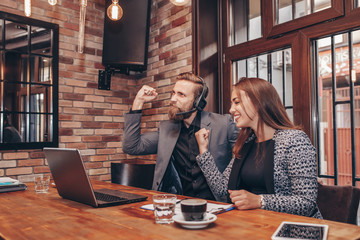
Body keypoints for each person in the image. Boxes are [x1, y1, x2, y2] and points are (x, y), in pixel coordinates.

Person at [195, 77, 322, 218]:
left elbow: (306, 203)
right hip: (255, 225)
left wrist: (260, 201)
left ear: (258, 102)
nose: (231, 110)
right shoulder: (246, 144)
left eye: (237, 102)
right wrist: (204, 151)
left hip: (291, 230)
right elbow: (222, 192)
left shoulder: (294, 140)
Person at [123, 72, 239, 201]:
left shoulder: (223, 124)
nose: (173, 99)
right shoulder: (167, 129)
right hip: (180, 203)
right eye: (173, 93)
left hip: (217, 203)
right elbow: (131, 146)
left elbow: (244, 157)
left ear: (198, 102)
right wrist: (138, 102)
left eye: (181, 95)